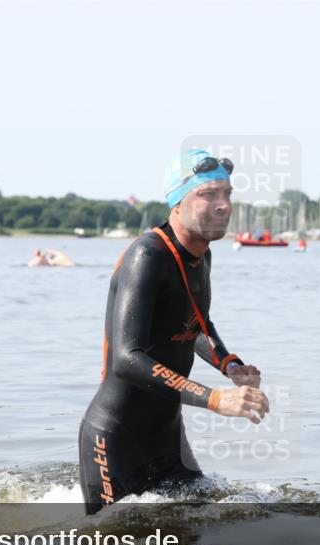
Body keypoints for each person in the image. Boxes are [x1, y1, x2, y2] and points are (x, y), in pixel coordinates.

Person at [78, 149, 268, 515]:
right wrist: (215, 399)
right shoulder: (147, 257)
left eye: (227, 193)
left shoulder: (200, 255)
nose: (223, 205)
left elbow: (196, 324)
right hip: (115, 438)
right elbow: (126, 358)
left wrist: (229, 365)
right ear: (177, 203)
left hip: (166, 439)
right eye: (208, 194)